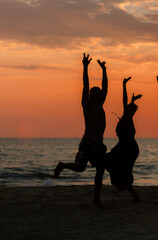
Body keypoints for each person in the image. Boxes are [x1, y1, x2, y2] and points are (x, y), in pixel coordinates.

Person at [54, 53, 108, 205]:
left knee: (94, 169)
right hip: (88, 143)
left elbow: (106, 87)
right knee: (82, 168)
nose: (98, 95)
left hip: (97, 144)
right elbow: (85, 85)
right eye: (94, 93)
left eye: (99, 94)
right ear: (90, 96)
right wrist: (85, 67)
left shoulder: (100, 105)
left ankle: (96, 199)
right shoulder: (87, 105)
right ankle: (62, 165)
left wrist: (104, 70)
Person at [105, 77, 141, 202]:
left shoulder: (128, 118)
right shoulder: (127, 117)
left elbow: (124, 101)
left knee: (119, 167)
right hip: (126, 147)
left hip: (128, 148)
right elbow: (125, 101)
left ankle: (123, 187)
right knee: (117, 167)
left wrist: (124, 86)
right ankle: (127, 190)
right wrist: (124, 85)